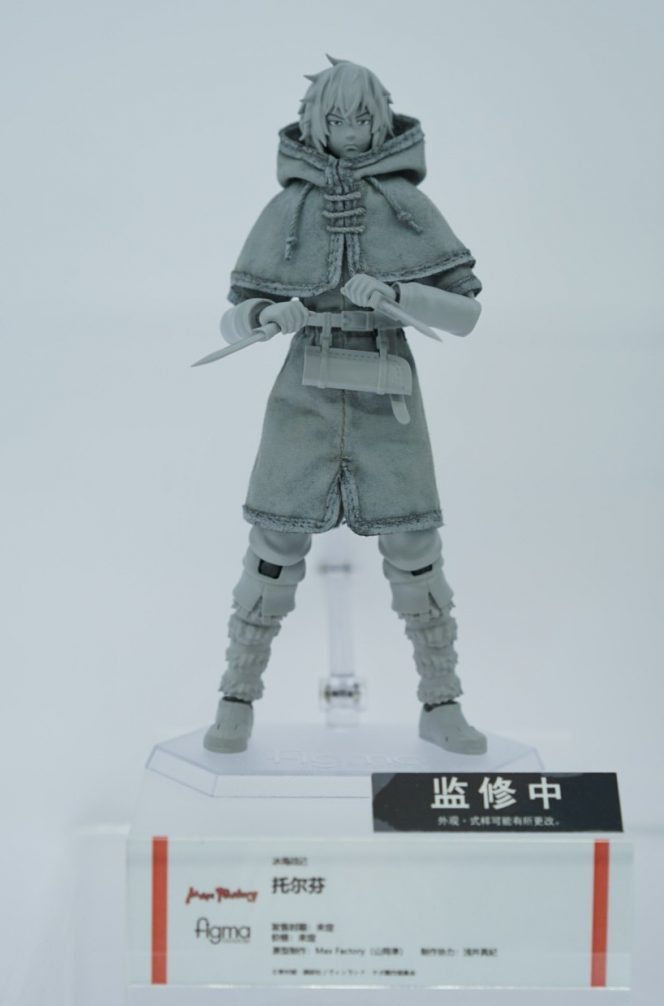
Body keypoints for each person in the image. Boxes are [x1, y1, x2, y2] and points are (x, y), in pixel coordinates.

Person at [203, 57, 486, 755]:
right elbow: (232, 319)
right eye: (337, 119)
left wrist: (401, 295)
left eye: (363, 118)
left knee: (415, 551)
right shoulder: (289, 208)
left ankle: (441, 701)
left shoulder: (407, 205)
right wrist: (266, 315)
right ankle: (236, 698)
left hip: (389, 391)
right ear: (315, 123)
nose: (352, 131)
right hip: (304, 389)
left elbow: (466, 314)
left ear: (381, 120)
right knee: (272, 549)